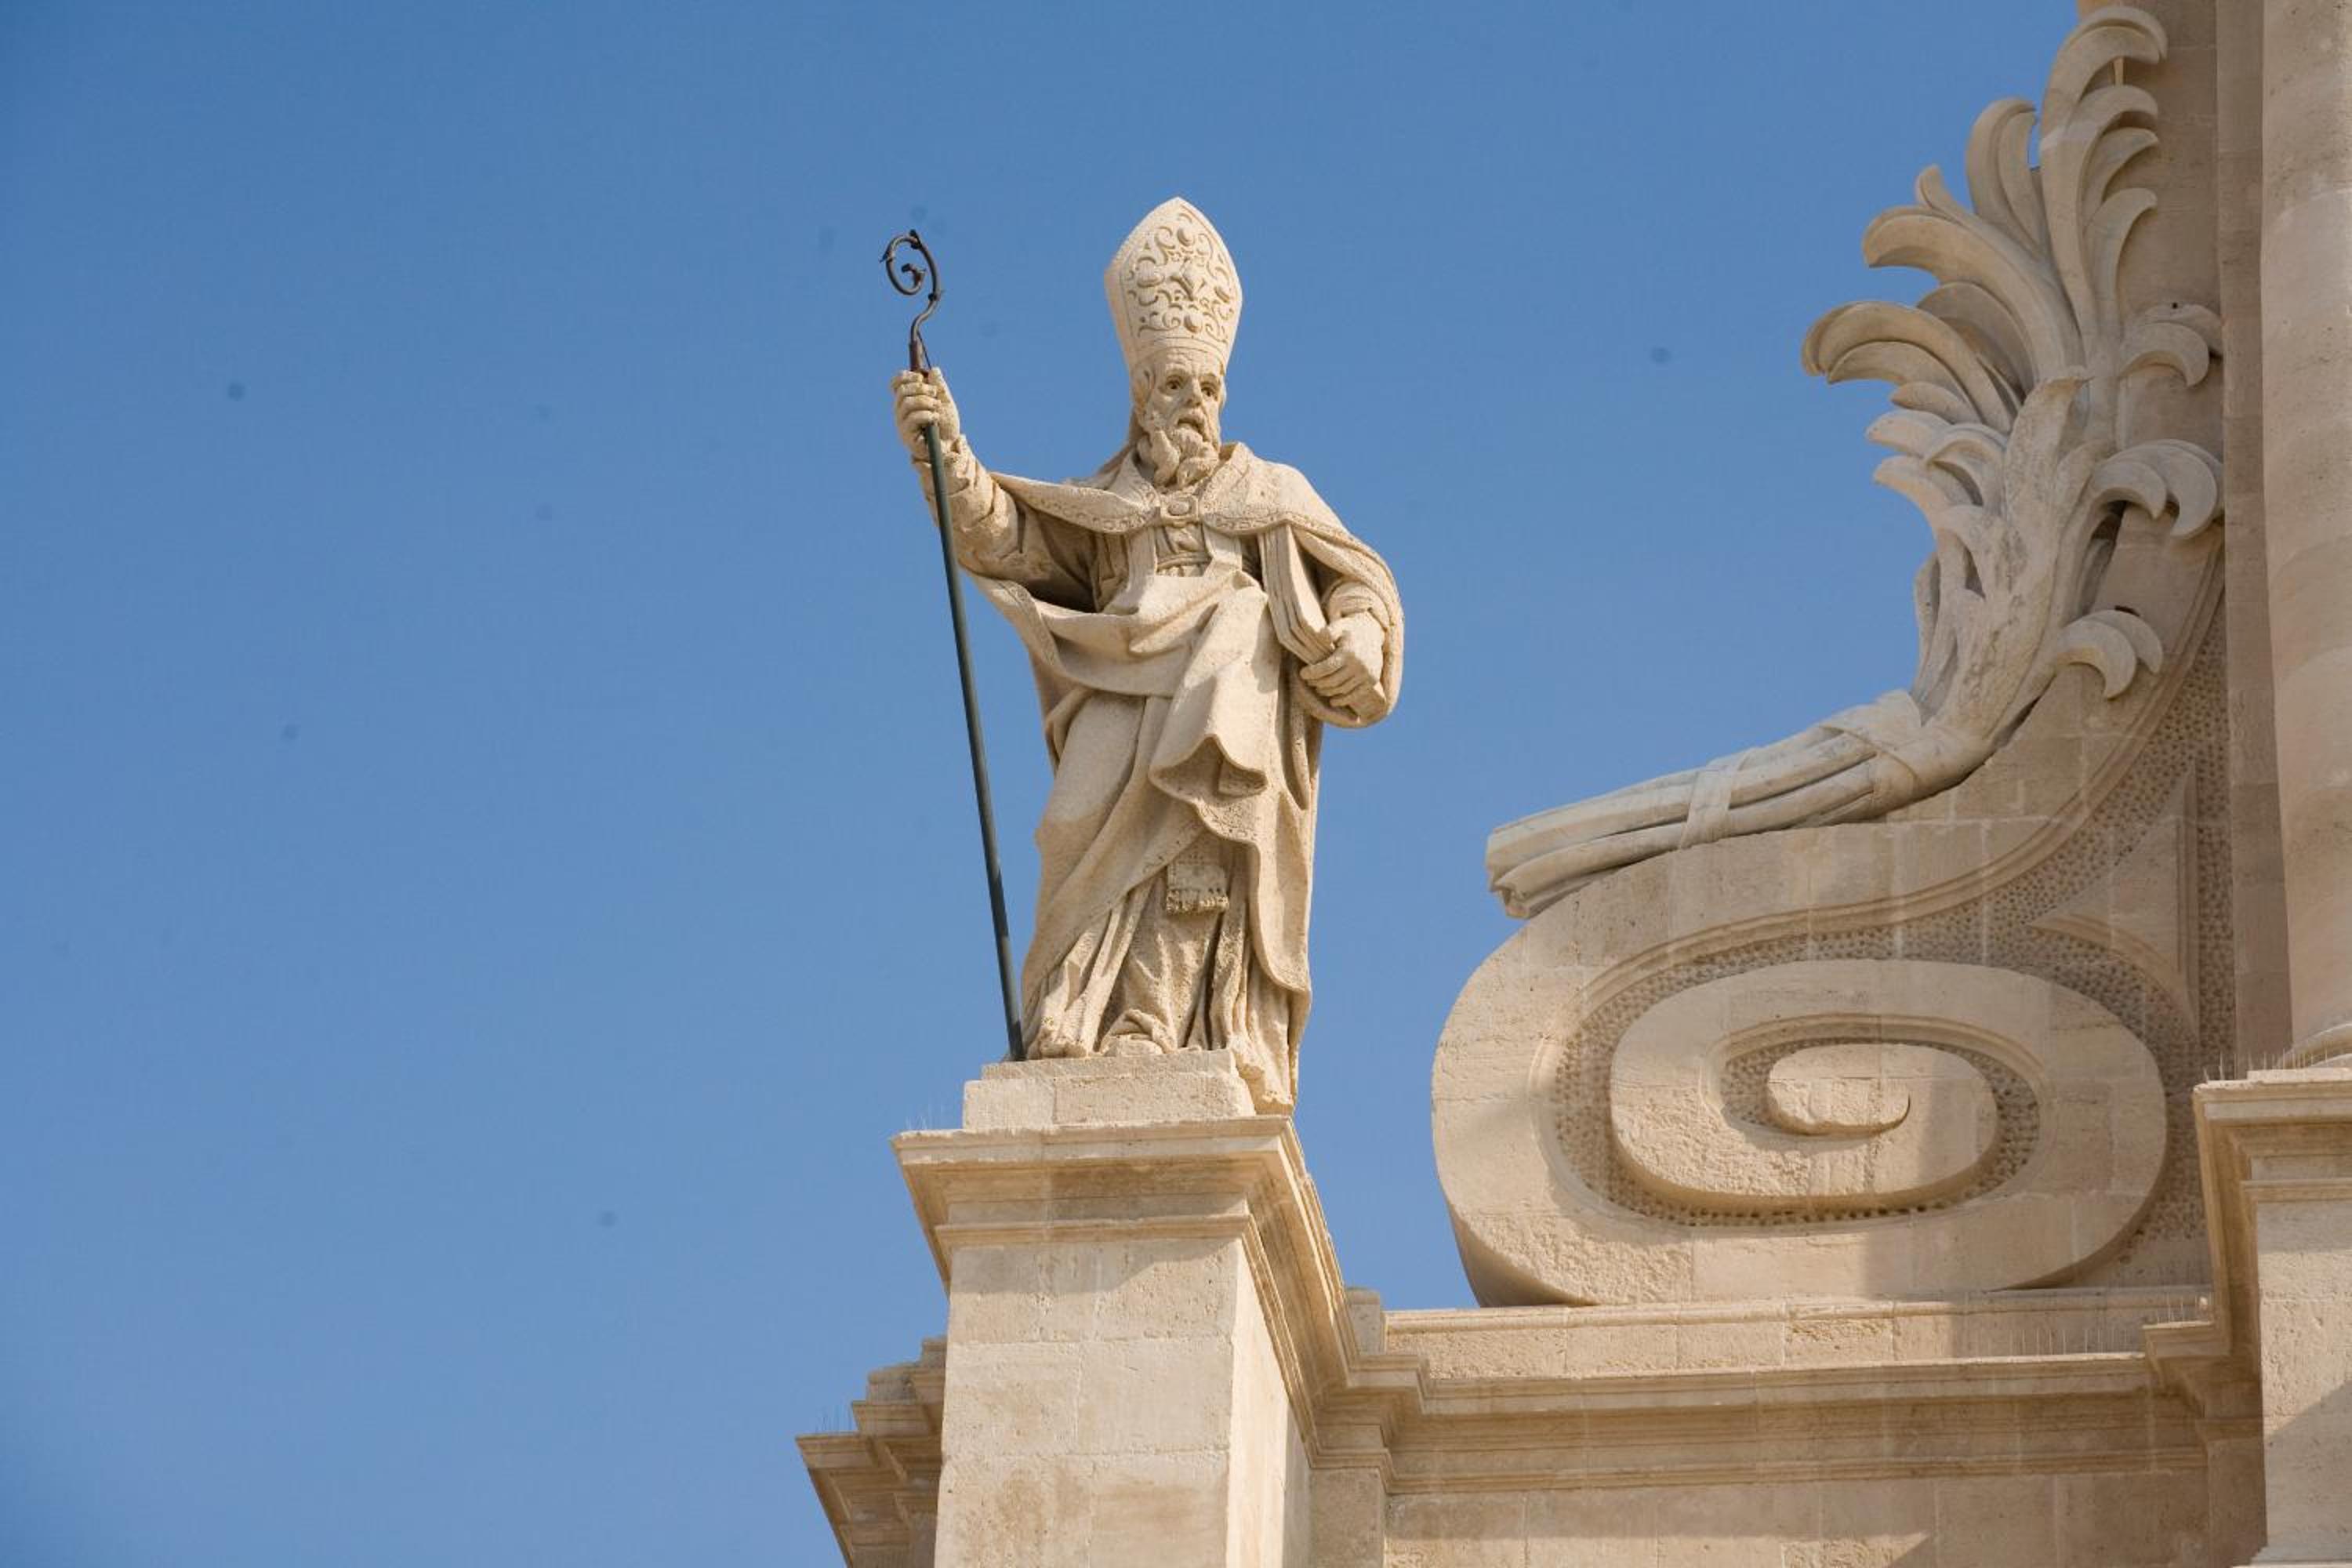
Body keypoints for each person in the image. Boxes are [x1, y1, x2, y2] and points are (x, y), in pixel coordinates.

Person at [888, 198, 1402, 1113]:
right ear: (1139, 397)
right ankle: (1076, 1013)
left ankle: (1162, 1023)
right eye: (1172, 386)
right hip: (1117, 692)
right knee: (1072, 834)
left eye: (1206, 388)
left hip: (1226, 703)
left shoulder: (1271, 493)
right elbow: (1004, 538)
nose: (1192, 404)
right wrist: (947, 452)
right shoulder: (1101, 505)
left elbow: (1356, 583)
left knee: (1202, 837)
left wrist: (1359, 637)